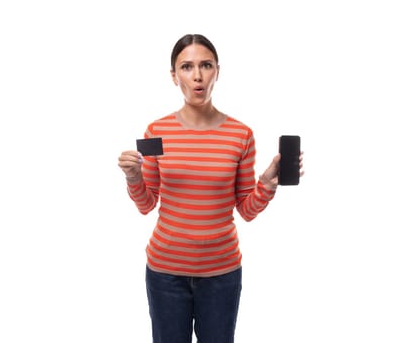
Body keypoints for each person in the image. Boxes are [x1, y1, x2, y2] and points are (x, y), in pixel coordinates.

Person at [118, 34, 304, 343]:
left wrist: (267, 185)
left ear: (217, 70)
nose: (197, 76)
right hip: (165, 273)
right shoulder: (157, 131)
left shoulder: (240, 134)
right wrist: (134, 178)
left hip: (221, 275)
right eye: (187, 67)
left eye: (205, 65)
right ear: (174, 75)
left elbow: (245, 210)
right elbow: (146, 204)